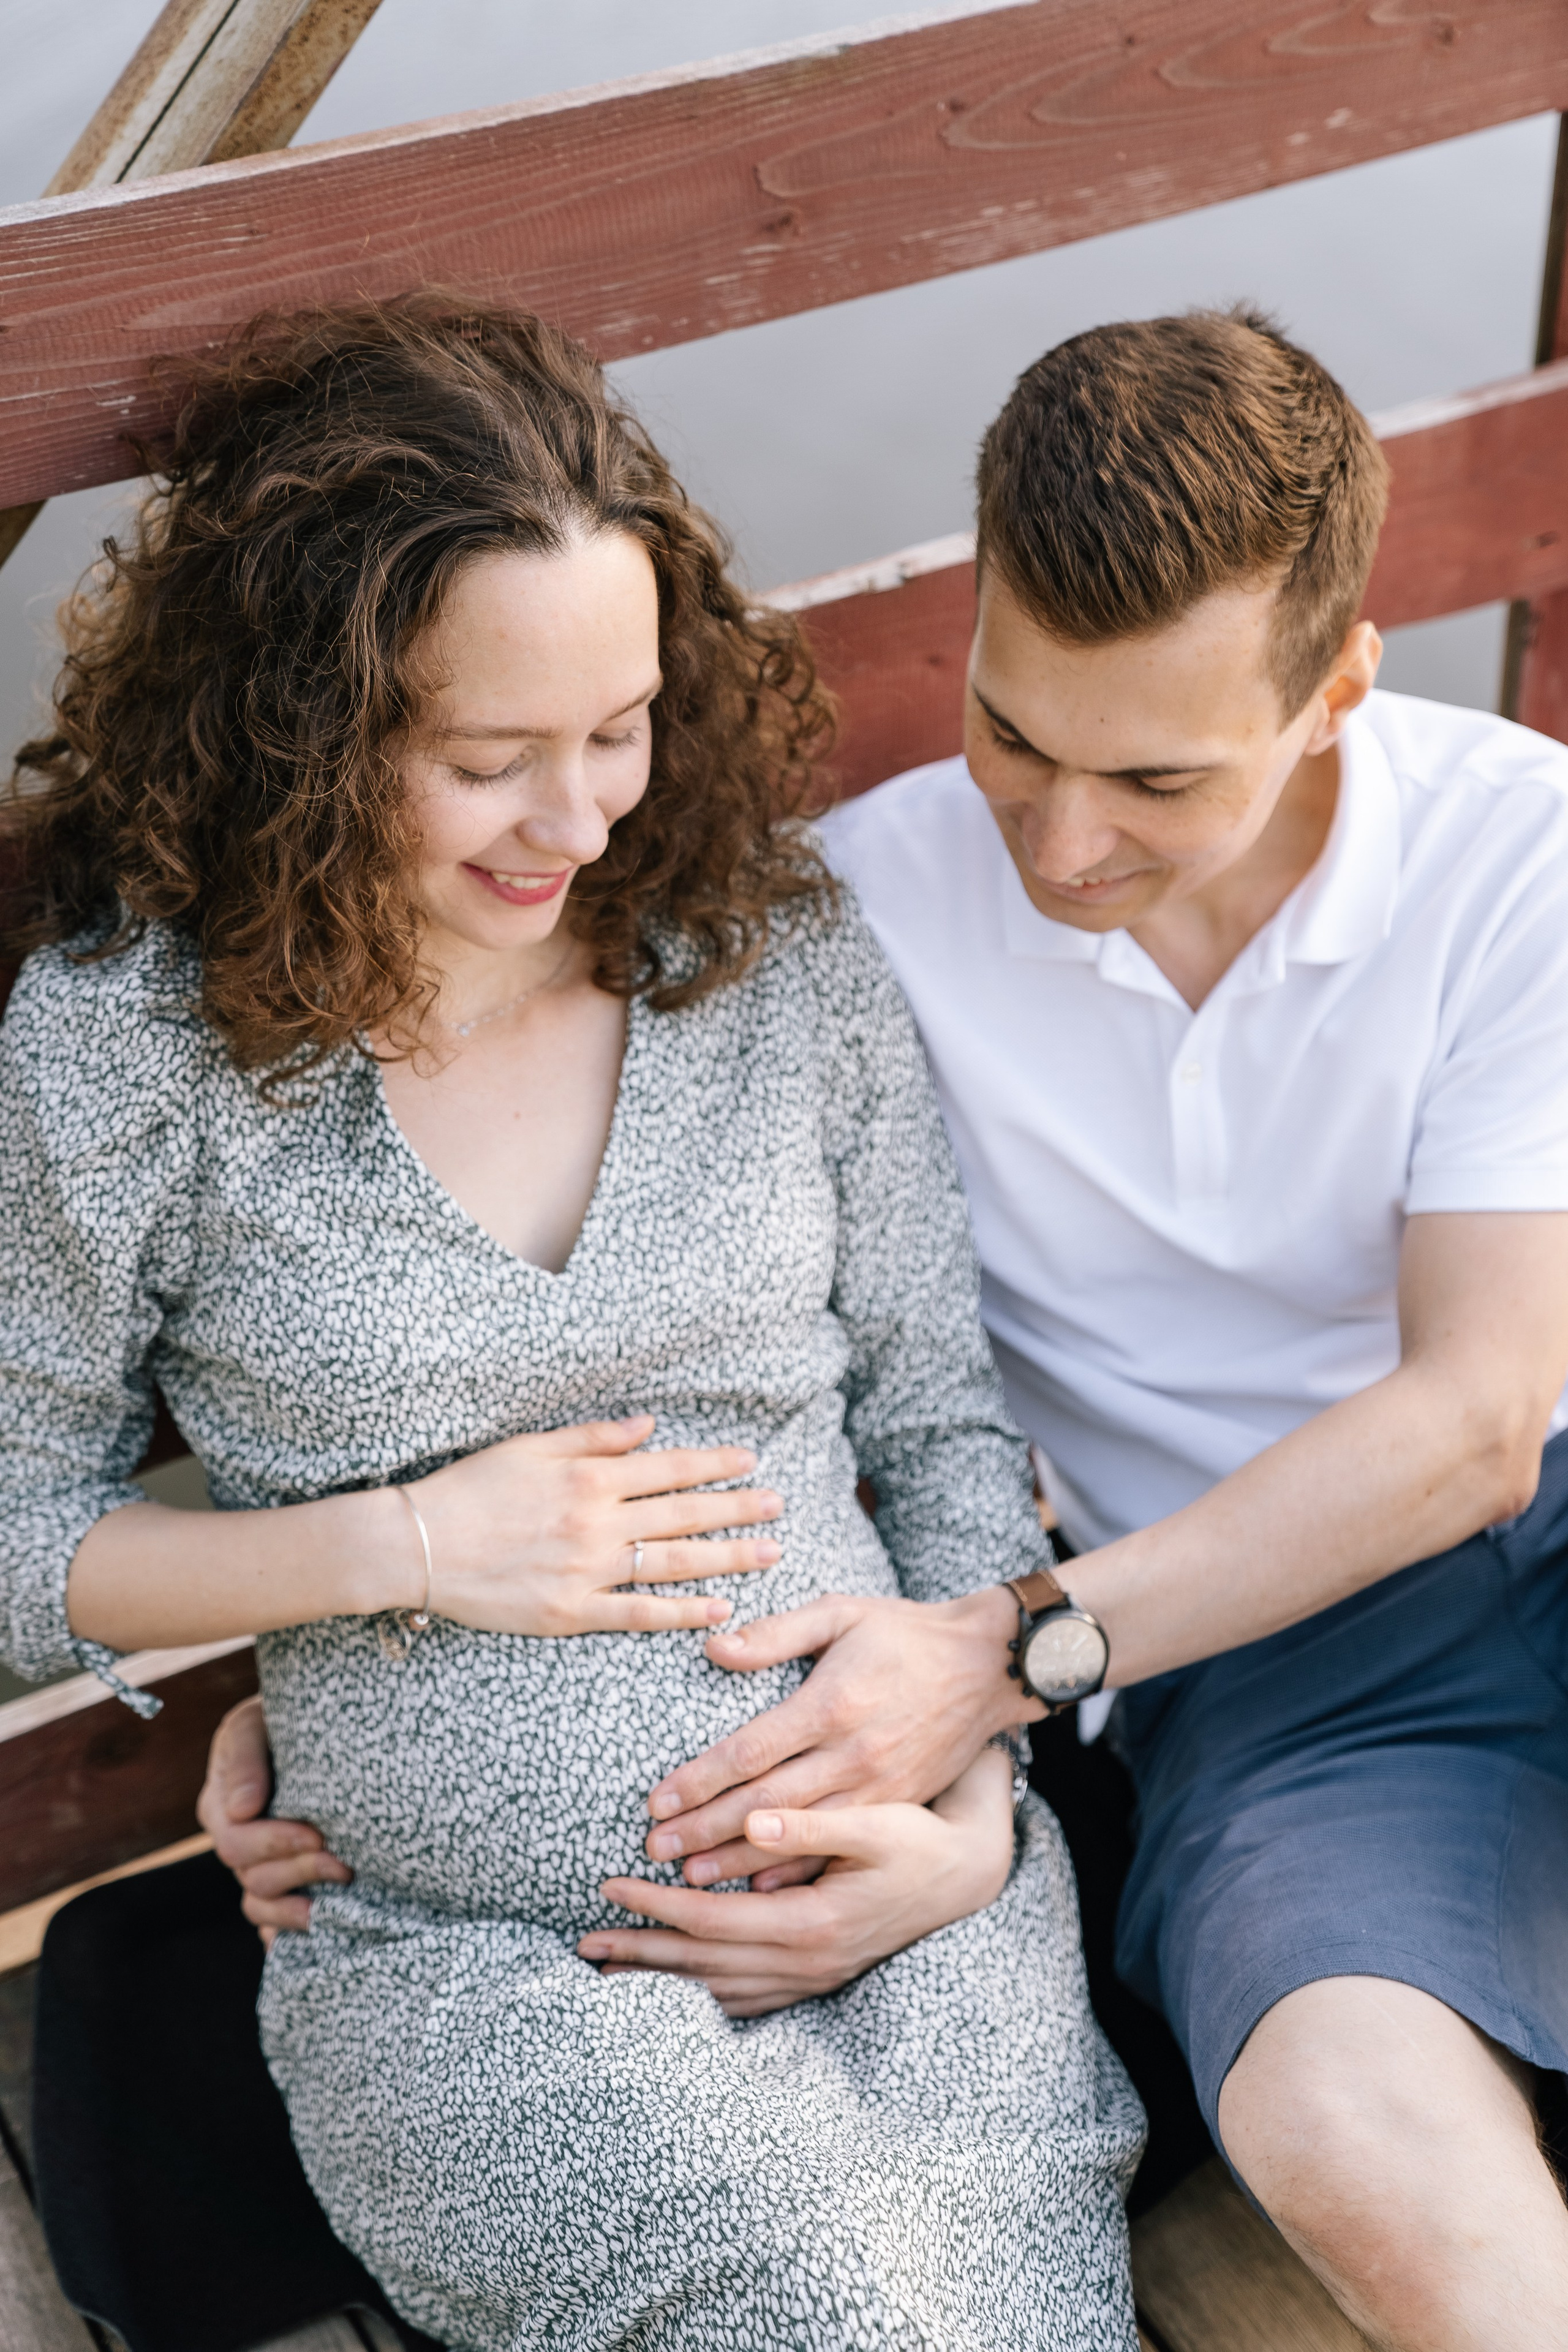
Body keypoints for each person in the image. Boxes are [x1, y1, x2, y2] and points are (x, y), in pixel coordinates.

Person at [207, 304, 1568, 2351]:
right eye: (1014, 732)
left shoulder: (1520, 852)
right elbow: (568, 1280)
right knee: (1352, 2147)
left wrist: (1008, 1653)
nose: (1060, 839)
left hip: (1506, 1510)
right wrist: (341, 1650)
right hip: (1261, 1658)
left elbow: (1479, 1421)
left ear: (1340, 692)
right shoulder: (851, 919)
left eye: (1156, 776)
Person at [0, 298, 1144, 2351]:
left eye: (615, 728)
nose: (578, 817)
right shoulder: (128, 1057)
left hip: (914, 1898)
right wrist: (400, 1551)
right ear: (306, 723)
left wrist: (967, 1809)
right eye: (484, 759)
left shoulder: (764, 953)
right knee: (823, 2305)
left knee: (1005, 2286)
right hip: (485, 1968)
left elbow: (943, 1426)